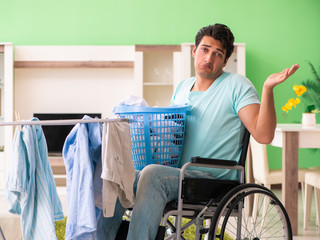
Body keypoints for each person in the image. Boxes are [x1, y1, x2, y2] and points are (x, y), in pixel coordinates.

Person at [97, 23, 299, 240]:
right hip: (178, 173)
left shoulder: (237, 86)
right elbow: (173, 134)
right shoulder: (183, 87)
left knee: (151, 175)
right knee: (118, 174)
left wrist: (267, 89)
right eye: (204, 49)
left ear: (225, 60)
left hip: (211, 178)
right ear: (194, 51)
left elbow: (264, 135)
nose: (209, 58)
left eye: (217, 53)